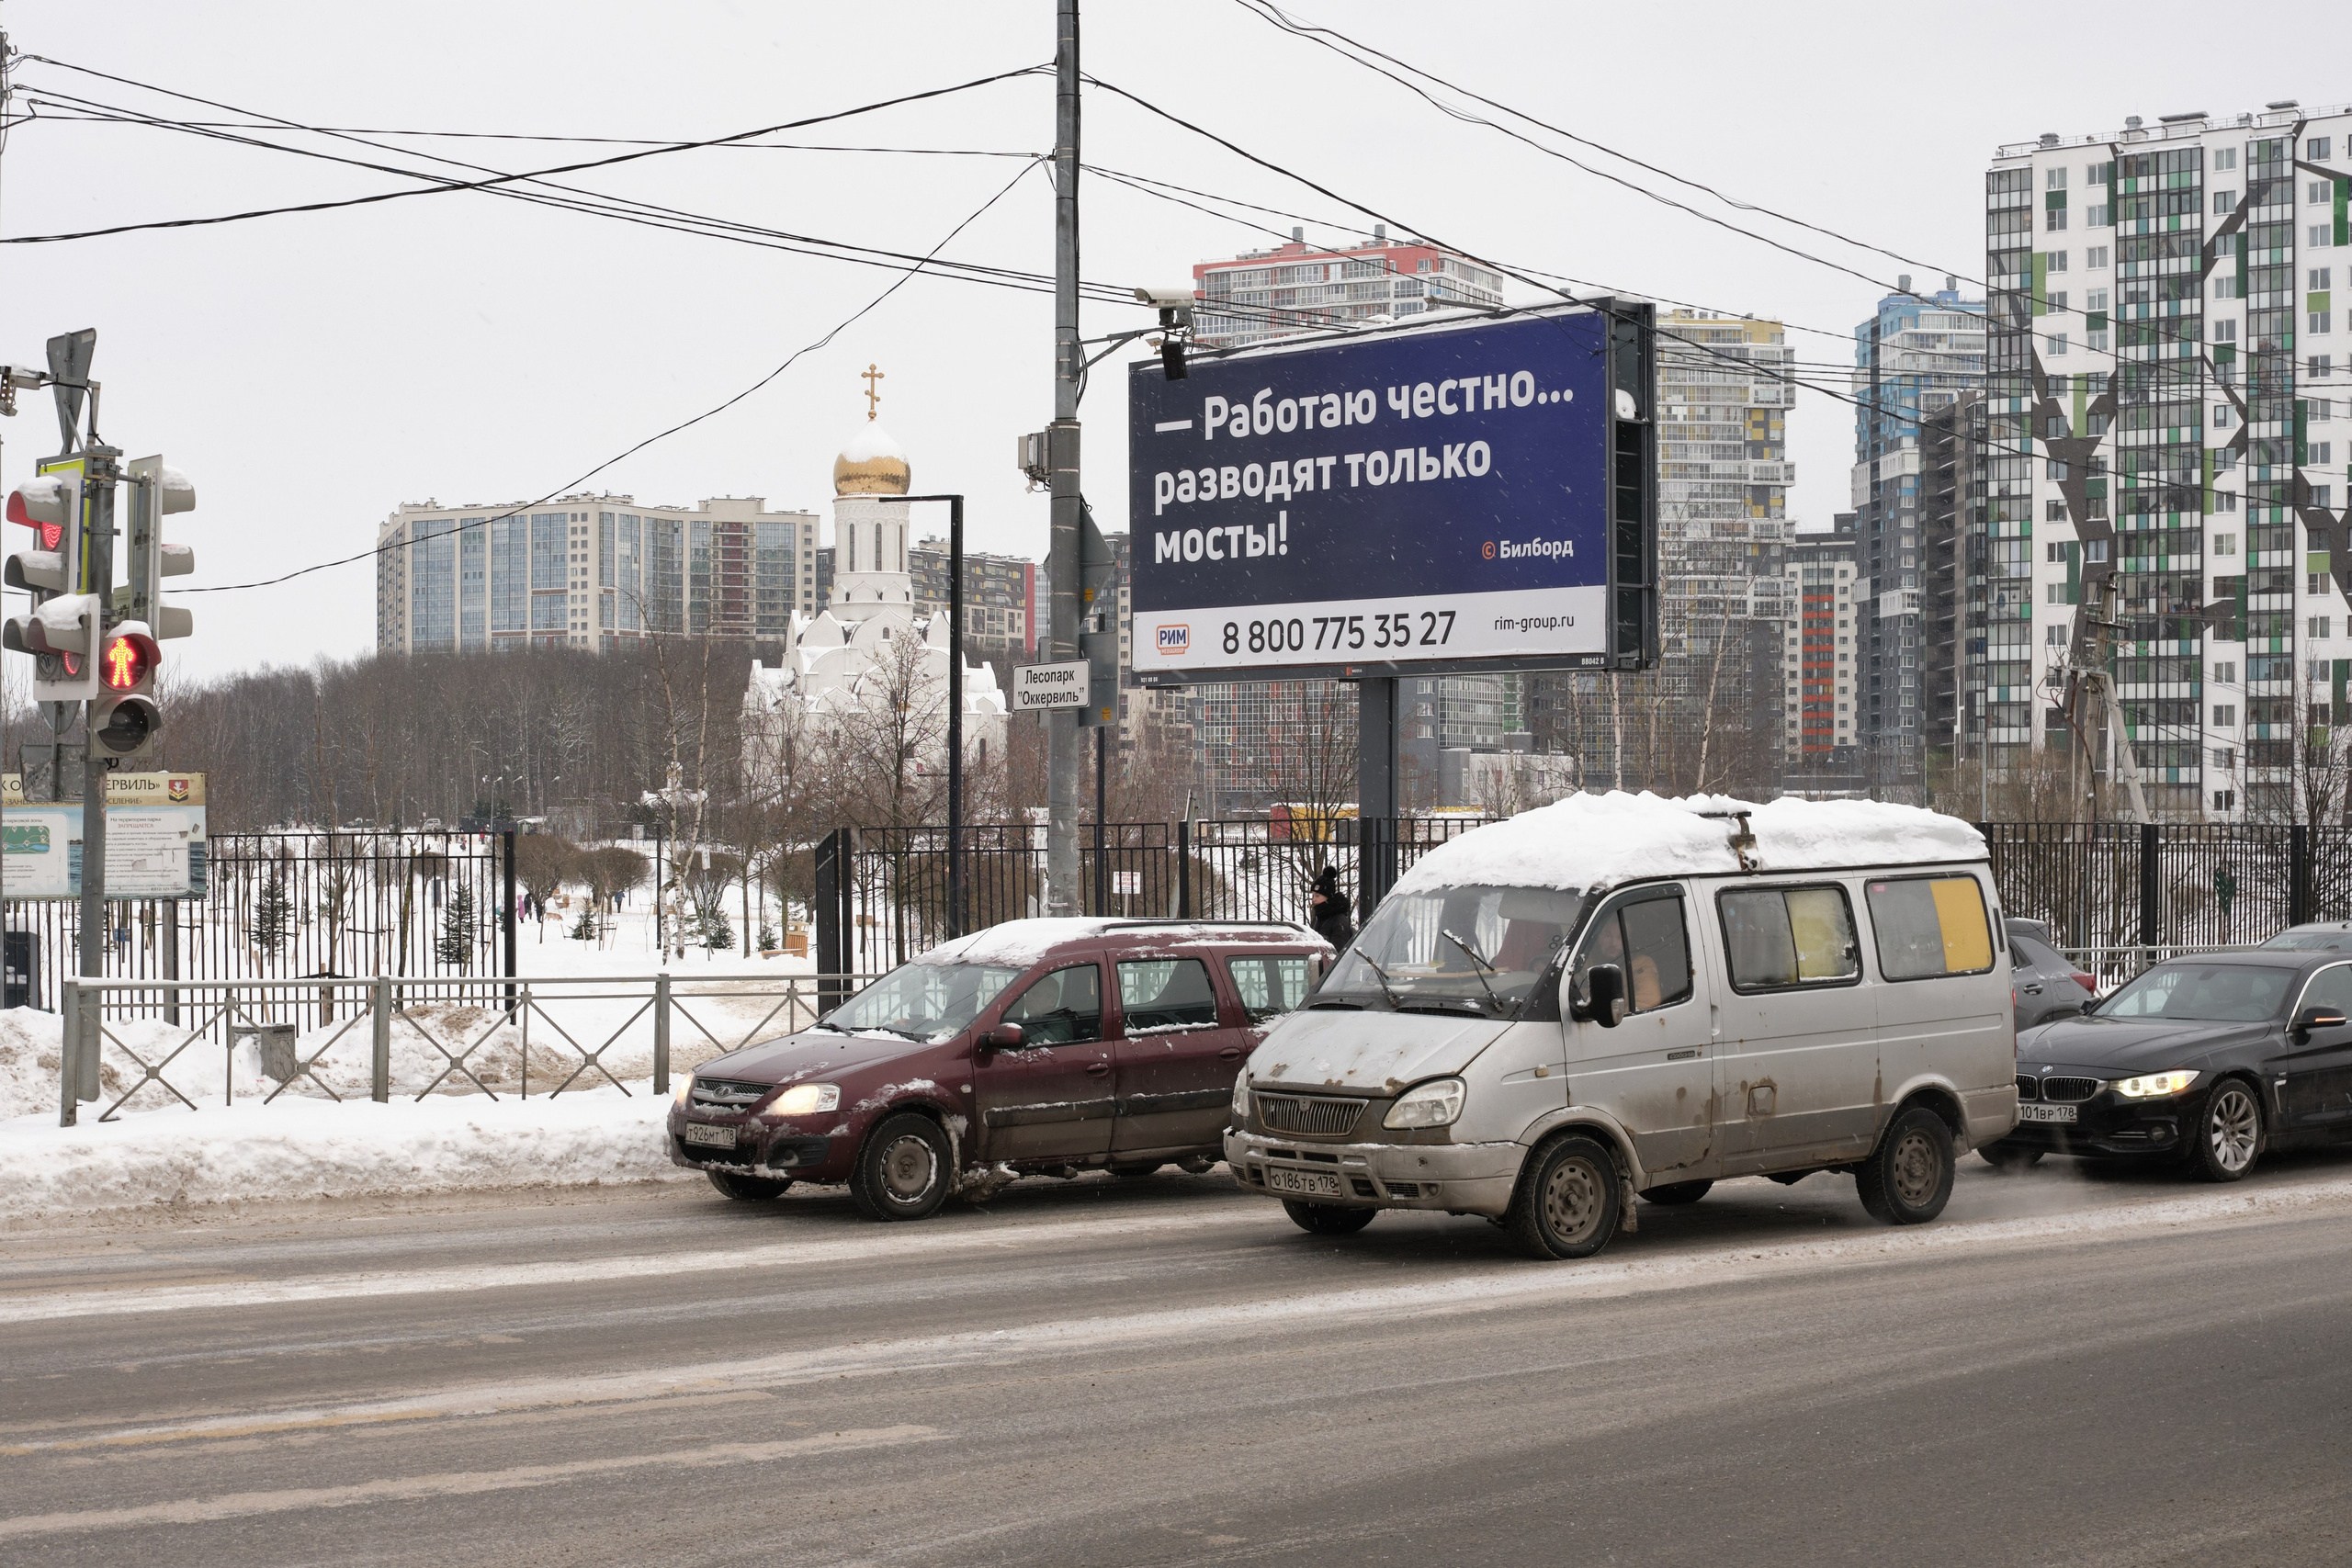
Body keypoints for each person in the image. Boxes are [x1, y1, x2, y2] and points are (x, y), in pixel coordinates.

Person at [1309, 864, 1354, 949]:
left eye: (1317, 896)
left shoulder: (1339, 920)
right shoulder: (1318, 917)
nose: (1313, 900)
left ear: (1328, 897)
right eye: (1313, 896)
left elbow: (1338, 951)